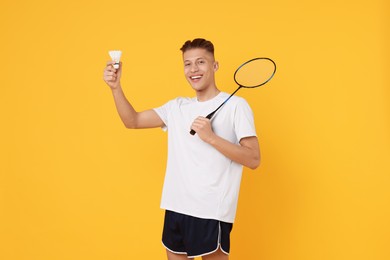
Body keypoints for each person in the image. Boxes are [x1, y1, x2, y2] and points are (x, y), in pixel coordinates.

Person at [103, 38, 260, 260]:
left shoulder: (236, 106)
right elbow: (133, 121)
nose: (193, 69)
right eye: (187, 64)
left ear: (215, 66)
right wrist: (115, 88)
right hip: (175, 207)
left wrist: (211, 137)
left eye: (201, 62)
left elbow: (254, 158)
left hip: (210, 211)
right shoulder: (176, 107)